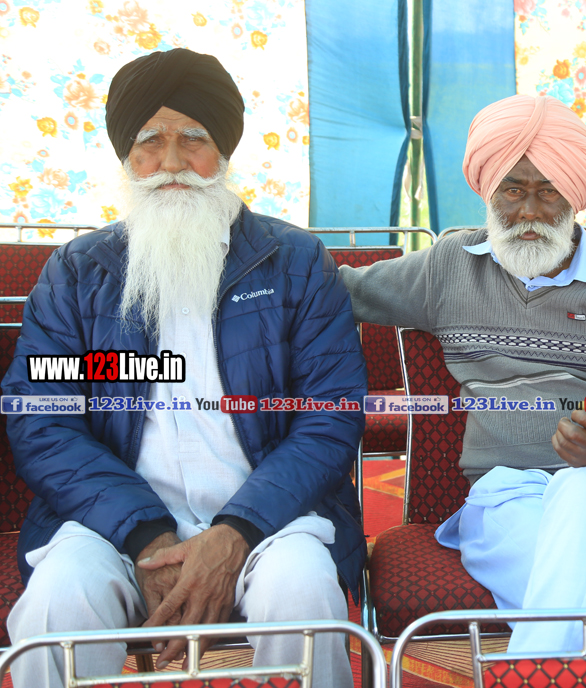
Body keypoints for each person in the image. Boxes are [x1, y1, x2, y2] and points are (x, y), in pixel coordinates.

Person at [0, 48, 365, 688]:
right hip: (110, 524)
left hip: (270, 522)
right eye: (150, 141)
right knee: (57, 606)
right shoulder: (78, 272)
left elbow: (329, 415)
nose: (171, 163)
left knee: (305, 598)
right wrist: (144, 534)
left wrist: (236, 533)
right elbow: (43, 418)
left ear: (222, 151)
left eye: (193, 139)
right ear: (126, 156)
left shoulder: (296, 262)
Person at [340, 94, 586, 652]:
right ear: (489, 191)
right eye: (513, 191)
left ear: (576, 197)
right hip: (508, 494)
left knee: (583, 495)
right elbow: (337, 289)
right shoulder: (450, 267)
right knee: (577, 589)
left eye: (549, 191)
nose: (530, 212)